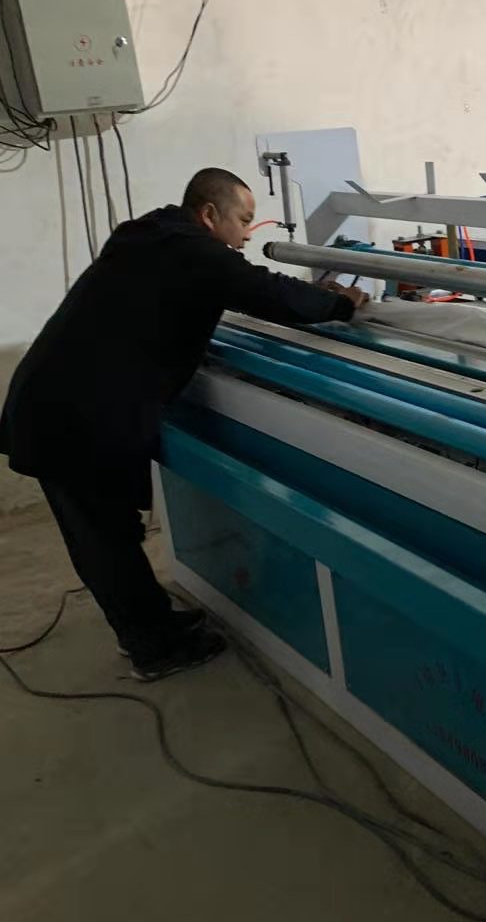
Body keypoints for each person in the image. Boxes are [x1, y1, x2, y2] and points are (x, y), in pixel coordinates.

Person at [0, 167, 367, 681]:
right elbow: (265, 292)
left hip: (56, 402)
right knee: (104, 537)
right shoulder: (192, 250)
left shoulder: (151, 235)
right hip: (69, 418)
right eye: (243, 220)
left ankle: (151, 623)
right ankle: (152, 648)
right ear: (209, 214)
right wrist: (339, 303)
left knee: (109, 532)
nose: (247, 235)